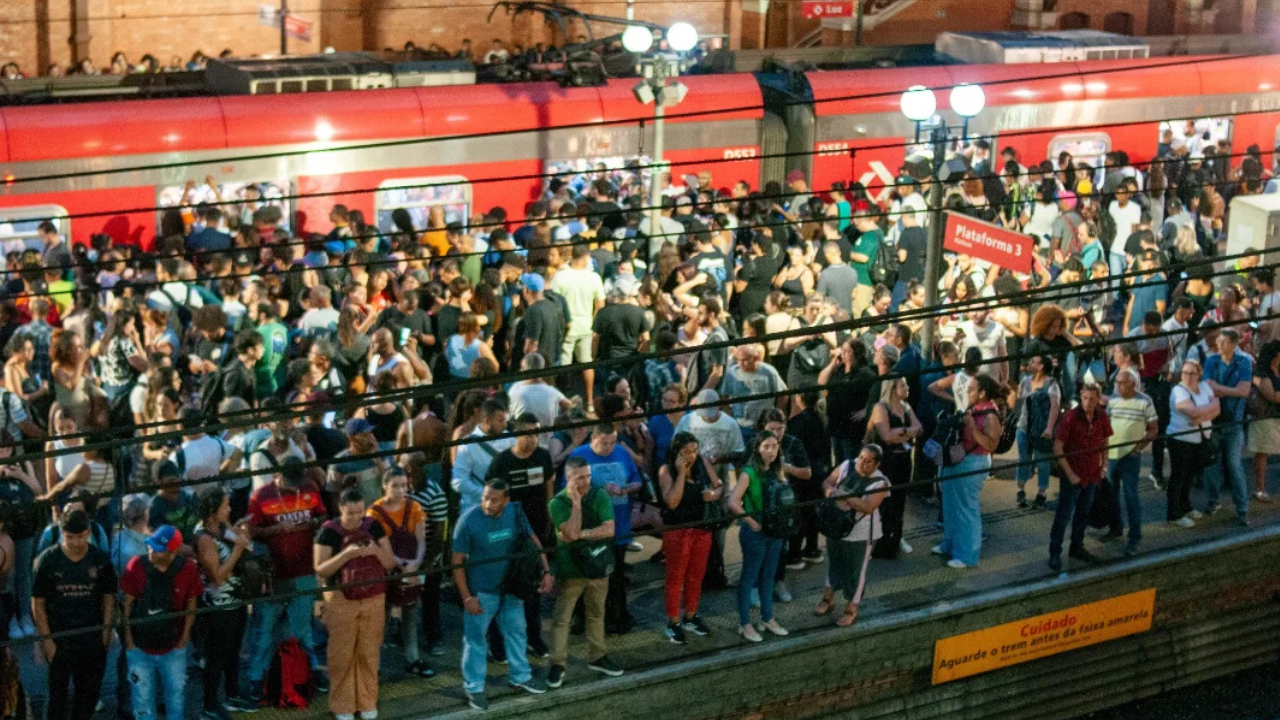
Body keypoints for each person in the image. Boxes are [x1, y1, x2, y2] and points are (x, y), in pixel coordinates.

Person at [452, 479, 551, 711]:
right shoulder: (467, 521)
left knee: (517, 632)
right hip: (482, 592)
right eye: (485, 498)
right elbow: (456, 562)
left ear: (506, 500)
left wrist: (546, 571)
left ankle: (520, 676)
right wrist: (467, 597)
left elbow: (533, 540)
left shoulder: (515, 512)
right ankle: (474, 687)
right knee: (475, 640)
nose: (487, 504)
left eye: (494, 499)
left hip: (511, 589)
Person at [244, 457, 328, 704]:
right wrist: (275, 531)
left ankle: (310, 672)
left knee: (302, 631)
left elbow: (323, 516)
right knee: (264, 632)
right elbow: (251, 531)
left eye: (297, 483)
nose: (294, 487)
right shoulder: (261, 495)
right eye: (290, 483)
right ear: (278, 475)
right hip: (273, 577)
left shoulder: (309, 487)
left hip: (304, 572)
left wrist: (312, 522)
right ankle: (256, 679)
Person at [315, 487, 398, 720]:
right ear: (340, 508)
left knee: (369, 651)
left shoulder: (374, 526)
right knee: (342, 654)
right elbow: (321, 569)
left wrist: (374, 550)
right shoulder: (328, 532)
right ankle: (343, 706)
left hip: (373, 595)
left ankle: (367, 701)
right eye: (350, 513)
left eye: (360, 512)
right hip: (340, 597)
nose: (356, 518)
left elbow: (390, 563)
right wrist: (346, 555)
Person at [546, 456, 624, 688]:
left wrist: (580, 535)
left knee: (596, 613)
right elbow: (569, 531)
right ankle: (558, 664)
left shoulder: (599, 495)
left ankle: (598, 656)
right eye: (580, 477)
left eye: (588, 476)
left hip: (598, 566)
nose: (586, 481)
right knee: (562, 618)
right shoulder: (557, 503)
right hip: (571, 570)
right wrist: (577, 504)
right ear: (568, 478)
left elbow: (609, 529)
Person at [31, 509, 116, 720]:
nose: (76, 542)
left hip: (92, 639)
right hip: (60, 640)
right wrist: (47, 642)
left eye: (81, 536)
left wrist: (105, 634)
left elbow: (109, 598)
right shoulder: (47, 561)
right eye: (70, 537)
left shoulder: (101, 560)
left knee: (87, 698)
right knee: (56, 700)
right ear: (62, 533)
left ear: (88, 532)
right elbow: (38, 603)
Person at [483, 412, 555, 658]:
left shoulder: (543, 457)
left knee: (533, 588)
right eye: (528, 433)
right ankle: (497, 643)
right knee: (502, 589)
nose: (533, 438)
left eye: (536, 433)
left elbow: (549, 492)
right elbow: (491, 496)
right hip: (507, 533)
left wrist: (548, 525)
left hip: (535, 532)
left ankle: (534, 638)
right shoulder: (502, 461)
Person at [120, 525, 203, 720]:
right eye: (151, 545)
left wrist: (184, 640)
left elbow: (192, 606)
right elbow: (125, 606)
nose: (151, 550)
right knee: (142, 700)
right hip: (140, 647)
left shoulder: (188, 569)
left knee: (175, 698)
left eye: (158, 549)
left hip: (174, 648)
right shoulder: (135, 565)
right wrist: (129, 642)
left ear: (173, 552)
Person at [569, 422, 643, 634]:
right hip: (592, 525)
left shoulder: (621, 452)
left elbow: (636, 479)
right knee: (588, 573)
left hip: (619, 523)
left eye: (612, 443)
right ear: (593, 438)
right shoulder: (579, 455)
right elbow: (569, 488)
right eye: (604, 443)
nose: (609, 448)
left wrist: (628, 488)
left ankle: (617, 615)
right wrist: (599, 489)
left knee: (616, 573)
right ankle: (582, 617)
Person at [192, 487, 253, 719]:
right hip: (218, 605)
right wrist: (237, 550)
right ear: (212, 511)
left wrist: (237, 532)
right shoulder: (204, 538)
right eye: (225, 505)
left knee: (234, 651)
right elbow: (216, 577)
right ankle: (209, 705)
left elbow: (247, 544)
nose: (229, 508)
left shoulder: (221, 527)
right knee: (217, 656)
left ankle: (232, 694)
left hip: (236, 600)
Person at [368, 467, 434, 678]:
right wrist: (401, 563)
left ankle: (412, 658)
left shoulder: (414, 507)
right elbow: (377, 545)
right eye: (395, 486)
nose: (400, 490)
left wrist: (416, 563)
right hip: (386, 569)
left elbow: (421, 539)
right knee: (382, 616)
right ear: (384, 486)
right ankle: (374, 664)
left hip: (411, 567)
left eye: (404, 485)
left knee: (411, 612)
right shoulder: (374, 512)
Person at [932, 374, 1003, 569]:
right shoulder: (973, 407)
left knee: (966, 508)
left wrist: (971, 427)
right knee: (950, 504)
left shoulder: (991, 416)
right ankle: (950, 544)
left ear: (982, 393)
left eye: (971, 389)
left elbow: (991, 445)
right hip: (958, 458)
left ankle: (967, 555)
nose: (966, 392)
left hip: (974, 462)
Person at [656, 432, 721, 644]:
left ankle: (691, 615)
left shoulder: (702, 463)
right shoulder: (666, 470)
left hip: (701, 529)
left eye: (694, 451)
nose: (692, 456)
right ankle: (673, 621)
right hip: (678, 531)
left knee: (696, 575)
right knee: (676, 577)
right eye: (686, 452)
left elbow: (719, 485)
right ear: (676, 452)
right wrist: (682, 473)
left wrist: (714, 494)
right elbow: (672, 502)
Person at [726, 430, 789, 643]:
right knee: (749, 577)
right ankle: (745, 623)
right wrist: (751, 522)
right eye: (766, 447)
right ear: (758, 449)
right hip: (755, 533)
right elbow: (733, 501)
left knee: (769, 576)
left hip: (775, 531)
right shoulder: (749, 472)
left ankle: (767, 618)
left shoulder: (778, 469)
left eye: (774, 446)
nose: (771, 451)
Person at [816, 445, 888, 628]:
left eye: (868, 461)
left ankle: (851, 607)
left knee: (855, 571)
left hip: (861, 534)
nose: (861, 463)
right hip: (836, 527)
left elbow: (868, 507)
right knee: (834, 563)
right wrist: (832, 493)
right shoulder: (847, 464)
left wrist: (845, 496)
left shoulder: (880, 482)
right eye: (861, 457)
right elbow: (827, 483)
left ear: (876, 464)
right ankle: (828, 597)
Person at [1047, 384, 1114, 571]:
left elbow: (1105, 442)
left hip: (1091, 474)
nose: (1087, 402)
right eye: (1085, 398)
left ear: (1098, 399)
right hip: (1074, 474)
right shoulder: (1071, 417)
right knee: (1064, 515)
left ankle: (1077, 547)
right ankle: (1055, 552)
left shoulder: (1101, 416)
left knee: (1083, 514)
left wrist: (1104, 466)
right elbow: (1058, 447)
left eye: (1092, 399)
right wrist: (1070, 473)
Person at [1201, 328, 1253, 526]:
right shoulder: (1211, 360)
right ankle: (1214, 501)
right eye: (1218, 341)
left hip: (1234, 423)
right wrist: (1232, 390)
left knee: (1234, 466)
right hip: (1214, 421)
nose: (1218, 345)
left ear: (1233, 344)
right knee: (1211, 465)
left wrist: (1219, 388)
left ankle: (1242, 509)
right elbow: (1208, 388)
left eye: (1222, 342)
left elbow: (1244, 391)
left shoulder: (1244, 362)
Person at [866, 378, 921, 560]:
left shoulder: (905, 406)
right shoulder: (881, 408)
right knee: (884, 502)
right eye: (903, 385)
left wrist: (901, 431)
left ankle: (894, 539)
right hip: (886, 462)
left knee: (899, 500)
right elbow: (886, 436)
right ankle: (879, 543)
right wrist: (907, 433)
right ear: (892, 389)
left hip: (903, 459)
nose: (907, 387)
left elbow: (919, 428)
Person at [1105, 369, 1159, 556]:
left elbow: (1153, 429)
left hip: (1130, 456)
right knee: (1111, 495)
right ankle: (1115, 527)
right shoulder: (1113, 400)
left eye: (1122, 383)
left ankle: (1135, 537)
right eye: (1116, 382)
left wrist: (1139, 448)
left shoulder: (1145, 401)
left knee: (1131, 496)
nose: (1118, 385)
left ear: (1133, 385)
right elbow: (1106, 424)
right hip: (1111, 454)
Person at [1166, 360, 1219, 528]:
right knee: (1178, 476)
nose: (1188, 376)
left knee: (1190, 475)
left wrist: (1201, 418)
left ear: (1199, 374)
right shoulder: (1178, 390)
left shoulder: (1204, 387)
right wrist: (1211, 407)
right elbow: (1192, 411)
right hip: (1180, 439)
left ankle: (1186, 506)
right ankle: (1174, 514)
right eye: (1185, 373)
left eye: (1192, 373)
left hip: (1199, 439)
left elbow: (1217, 410)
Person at [451, 399, 514, 516]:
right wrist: (487, 495)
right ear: (486, 421)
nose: (505, 425)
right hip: (476, 510)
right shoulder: (467, 445)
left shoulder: (510, 439)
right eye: (500, 421)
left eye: (505, 420)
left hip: (504, 510)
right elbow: (459, 481)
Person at [1015, 353, 1061, 509]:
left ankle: (1042, 492)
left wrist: (1049, 428)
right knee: (1023, 459)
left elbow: (1055, 406)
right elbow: (1019, 402)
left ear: (1041, 366)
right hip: (1023, 428)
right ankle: (1020, 490)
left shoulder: (1051, 384)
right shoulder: (1025, 381)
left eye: (1033, 361)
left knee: (1042, 462)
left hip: (1041, 430)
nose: (1029, 363)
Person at [1248, 340, 1280, 503]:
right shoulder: (1260, 373)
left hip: (1276, 417)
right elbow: (1273, 396)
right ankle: (1259, 489)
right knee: (1262, 453)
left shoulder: (1277, 370)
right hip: (1265, 417)